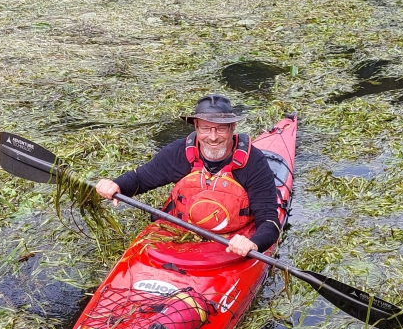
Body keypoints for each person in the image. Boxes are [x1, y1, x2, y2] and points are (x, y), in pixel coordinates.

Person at [96, 95, 281, 257]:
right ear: (196, 127)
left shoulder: (254, 162)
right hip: (181, 232)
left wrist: (253, 244)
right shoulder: (178, 152)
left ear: (232, 127)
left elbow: (269, 220)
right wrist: (117, 185)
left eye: (220, 129)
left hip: (232, 241)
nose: (213, 137)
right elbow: (141, 179)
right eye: (206, 128)